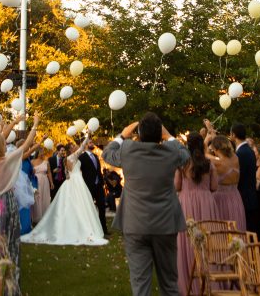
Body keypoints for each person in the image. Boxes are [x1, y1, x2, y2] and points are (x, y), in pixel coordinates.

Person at [103, 113, 190, 296]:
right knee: (169, 283)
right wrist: (170, 137)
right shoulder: (171, 151)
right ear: (160, 134)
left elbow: (107, 154)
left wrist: (122, 135)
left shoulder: (127, 149)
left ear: (139, 134)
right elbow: (185, 155)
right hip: (165, 224)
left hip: (135, 224)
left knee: (140, 285)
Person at [0, 113, 40, 287]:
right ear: (0, 147)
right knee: (8, 240)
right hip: (4, 205)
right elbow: (26, 145)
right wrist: (34, 125)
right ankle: (6, 279)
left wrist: (12, 123)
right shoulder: (5, 161)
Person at [23, 135, 108, 246]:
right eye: (73, 146)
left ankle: (76, 226)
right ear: (71, 149)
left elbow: (67, 174)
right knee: (78, 205)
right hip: (77, 181)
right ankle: (79, 229)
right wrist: (89, 134)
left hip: (74, 180)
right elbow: (82, 147)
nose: (75, 147)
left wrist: (70, 175)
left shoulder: (68, 159)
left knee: (77, 205)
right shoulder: (72, 157)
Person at [175, 133, 218, 296]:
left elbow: (177, 186)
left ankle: (188, 279)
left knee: (187, 242)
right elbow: (214, 187)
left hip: (187, 204)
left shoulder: (183, 164)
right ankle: (208, 280)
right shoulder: (209, 163)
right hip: (206, 203)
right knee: (207, 242)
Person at [206, 133, 246, 233]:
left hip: (221, 200)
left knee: (222, 231)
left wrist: (206, 140)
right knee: (236, 229)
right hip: (235, 198)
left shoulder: (217, 163)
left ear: (215, 149)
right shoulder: (236, 158)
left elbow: (203, 154)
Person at [230, 123, 260, 240]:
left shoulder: (241, 153)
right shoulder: (248, 150)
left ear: (233, 135)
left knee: (248, 233)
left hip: (245, 198)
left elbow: (239, 176)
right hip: (251, 196)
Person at [77, 141, 109, 236]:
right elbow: (79, 170)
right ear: (85, 145)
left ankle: (104, 230)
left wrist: (102, 182)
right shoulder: (82, 157)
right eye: (90, 142)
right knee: (89, 209)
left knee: (102, 207)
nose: (92, 144)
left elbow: (98, 170)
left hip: (99, 185)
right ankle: (89, 230)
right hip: (88, 187)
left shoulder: (95, 156)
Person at [30, 150, 52, 224]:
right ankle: (36, 218)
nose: (42, 154)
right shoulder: (32, 161)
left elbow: (49, 172)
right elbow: (29, 172)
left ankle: (44, 216)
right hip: (35, 181)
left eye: (43, 152)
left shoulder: (46, 162)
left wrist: (51, 182)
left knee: (44, 198)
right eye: (41, 152)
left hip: (45, 181)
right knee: (37, 198)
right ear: (37, 153)